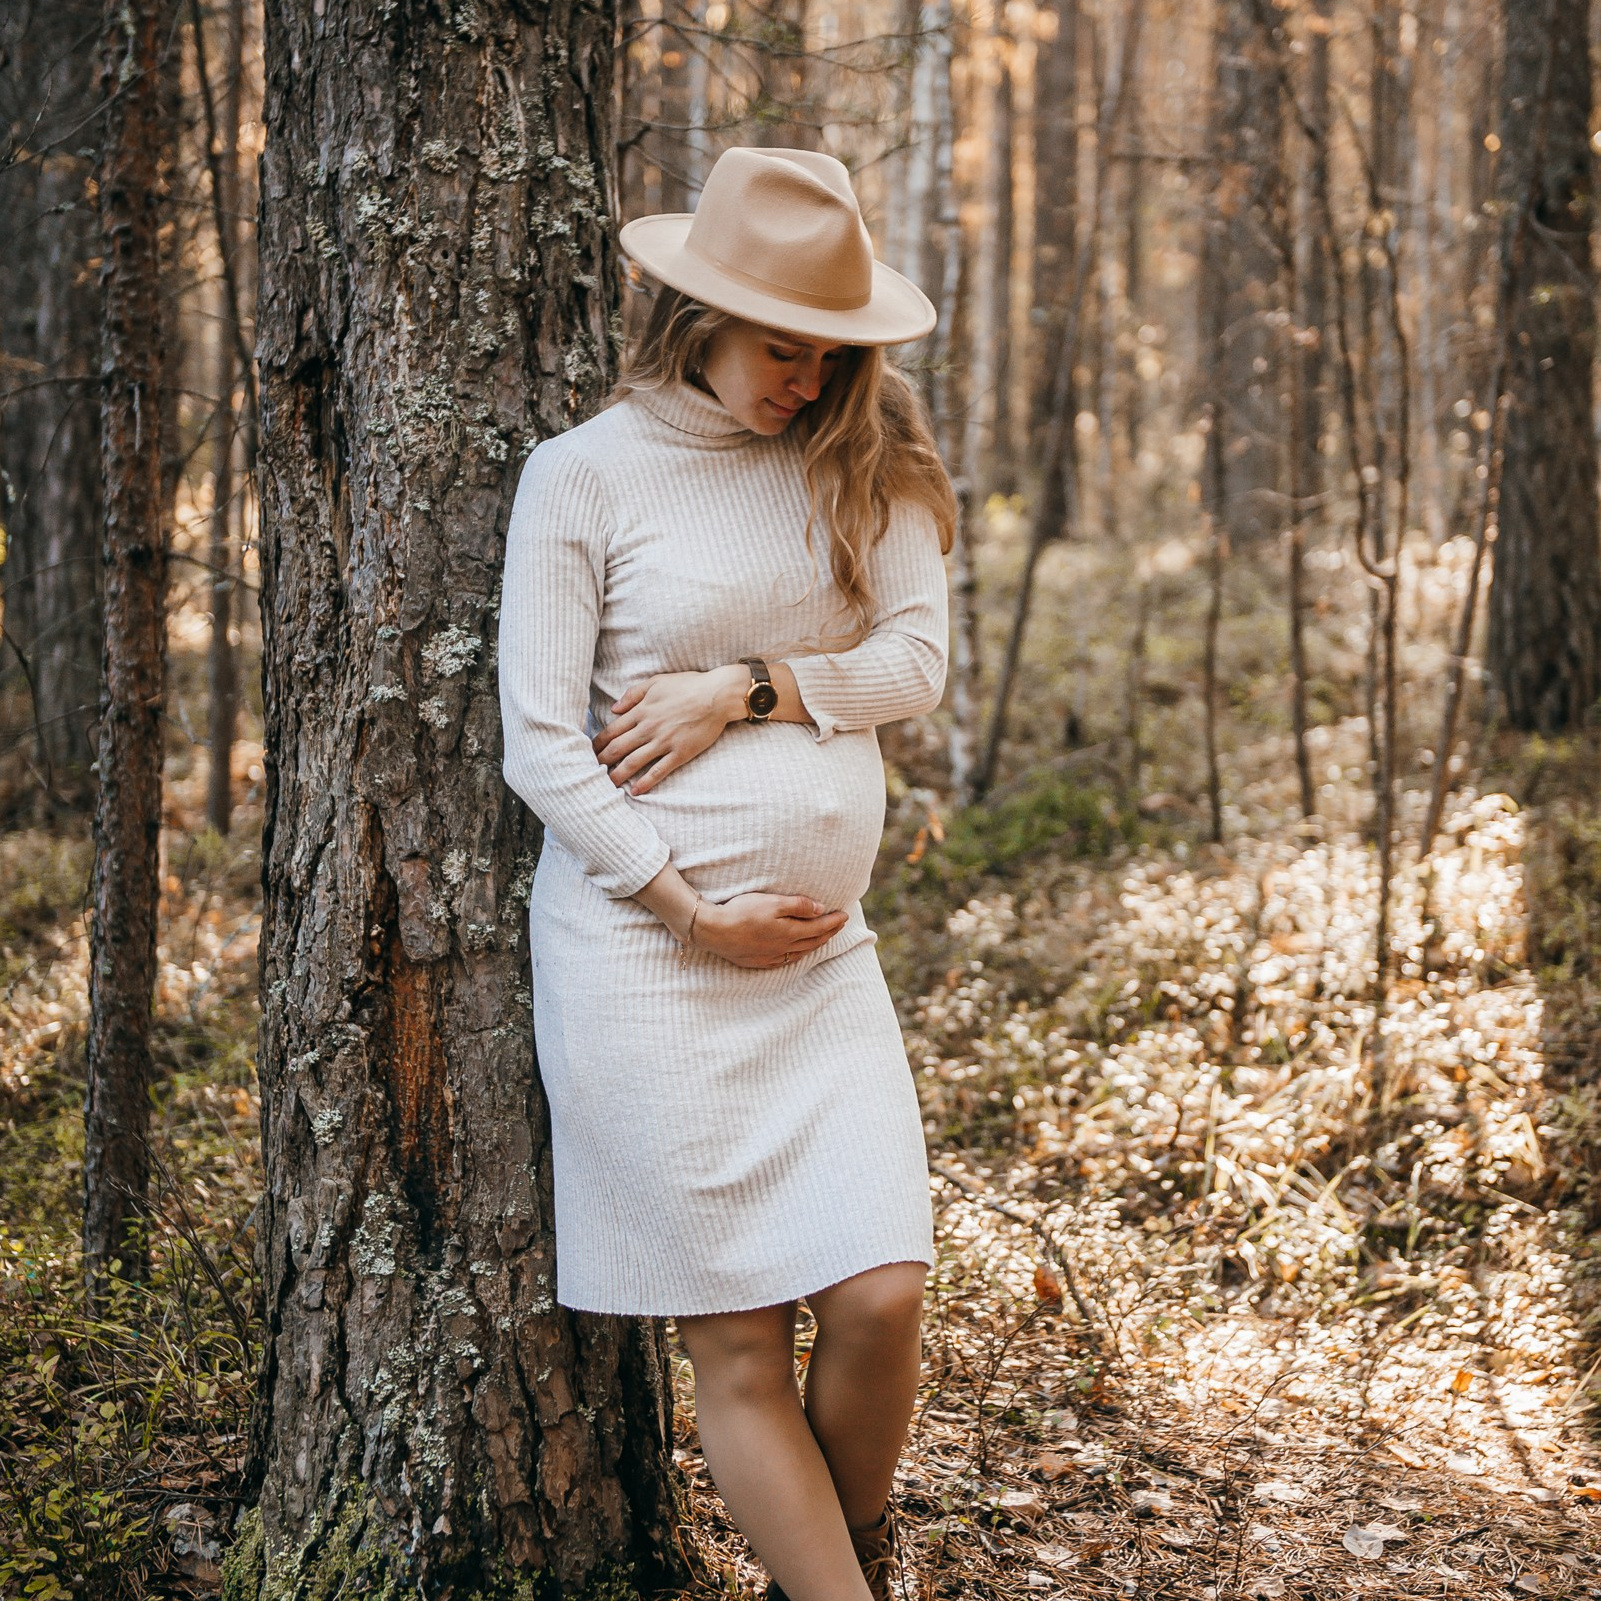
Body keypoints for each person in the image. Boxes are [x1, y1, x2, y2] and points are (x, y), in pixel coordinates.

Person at [497, 145, 956, 1601]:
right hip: (646, 964)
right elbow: (539, 747)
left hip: (819, 966)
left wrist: (743, 688)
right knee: (741, 1345)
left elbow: (914, 663)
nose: (807, 381)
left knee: (881, 1294)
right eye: (782, 349)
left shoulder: (861, 459)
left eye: (831, 353)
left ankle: (837, 1559)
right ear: (698, 318)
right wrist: (691, 911)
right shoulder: (582, 475)